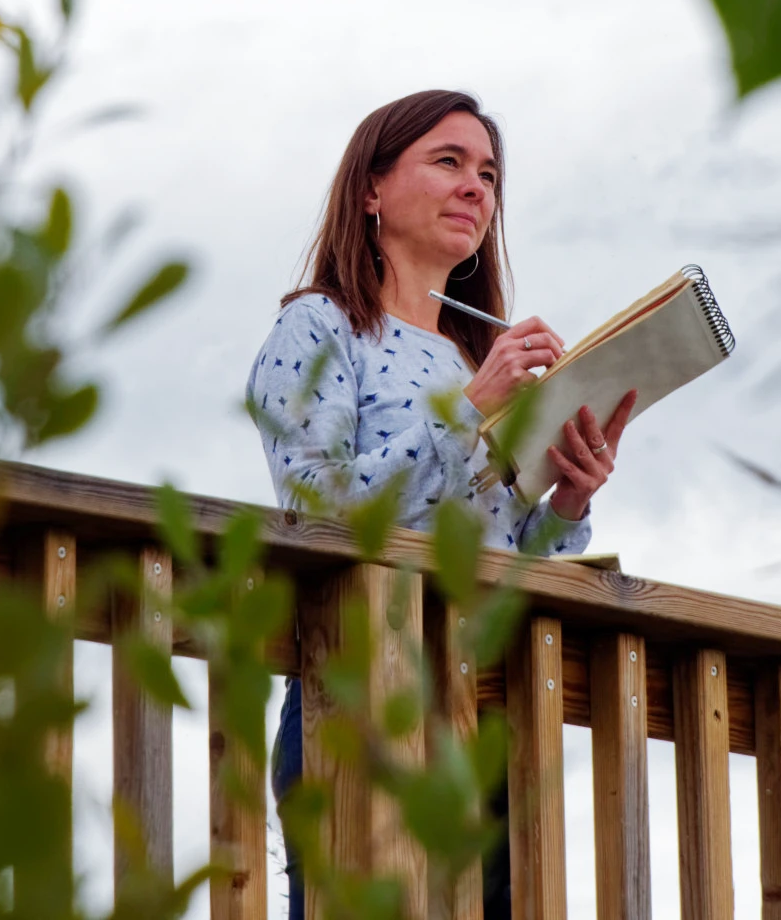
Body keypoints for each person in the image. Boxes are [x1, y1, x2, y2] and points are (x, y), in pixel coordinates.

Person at [247, 88, 635, 920]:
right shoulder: (320, 328)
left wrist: (567, 499)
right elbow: (314, 506)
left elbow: (525, 563)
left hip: (492, 707)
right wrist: (469, 415)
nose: (477, 189)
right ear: (371, 190)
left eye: (489, 174)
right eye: (449, 162)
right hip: (357, 690)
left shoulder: (476, 355)